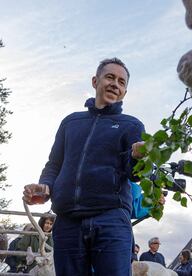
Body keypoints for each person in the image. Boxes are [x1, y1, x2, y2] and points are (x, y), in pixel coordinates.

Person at [22, 58, 147, 276]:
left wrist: (138, 157)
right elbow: (54, 165)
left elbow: (134, 175)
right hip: (68, 220)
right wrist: (45, 187)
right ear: (95, 81)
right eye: (110, 77)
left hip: (112, 219)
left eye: (121, 82)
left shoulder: (132, 125)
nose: (115, 84)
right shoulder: (71, 122)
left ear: (125, 92)